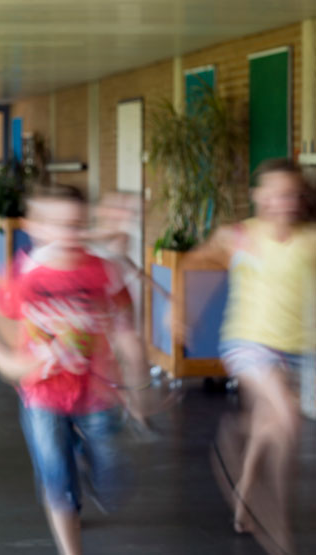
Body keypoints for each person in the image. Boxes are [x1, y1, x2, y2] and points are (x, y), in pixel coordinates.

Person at [0, 185, 146, 555]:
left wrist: (136, 379)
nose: (68, 234)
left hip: (96, 393)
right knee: (57, 482)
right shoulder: (22, 274)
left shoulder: (102, 270)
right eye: (58, 225)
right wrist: (11, 362)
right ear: (34, 227)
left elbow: (124, 320)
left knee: (111, 477)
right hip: (42, 394)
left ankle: (86, 459)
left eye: (77, 225)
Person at [185, 158, 316, 555]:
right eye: (273, 195)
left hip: (301, 347)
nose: (282, 203)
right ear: (257, 196)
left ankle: (243, 492)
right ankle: (278, 526)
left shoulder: (311, 238)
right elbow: (196, 263)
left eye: (291, 195)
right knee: (289, 421)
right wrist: (183, 318)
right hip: (249, 341)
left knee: (270, 424)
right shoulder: (239, 235)